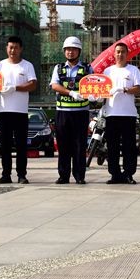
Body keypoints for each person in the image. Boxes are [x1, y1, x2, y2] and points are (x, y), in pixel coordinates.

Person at [0, 35, 38, 184]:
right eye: (10, 47)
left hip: (21, 112)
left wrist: (14, 88)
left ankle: (21, 175)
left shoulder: (27, 66)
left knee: (21, 145)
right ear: (6, 48)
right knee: (5, 145)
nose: (13, 50)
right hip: (4, 111)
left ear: (21, 49)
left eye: (16, 48)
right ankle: (6, 174)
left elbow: (33, 85)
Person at [50, 36, 93, 184]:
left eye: (74, 49)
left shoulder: (87, 68)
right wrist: (71, 93)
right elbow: (54, 85)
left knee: (80, 146)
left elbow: (94, 85)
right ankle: (63, 175)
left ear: (79, 51)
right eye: (68, 49)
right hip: (63, 112)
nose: (70, 52)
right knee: (63, 145)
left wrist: (95, 96)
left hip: (81, 113)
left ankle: (80, 176)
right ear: (64, 51)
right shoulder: (58, 68)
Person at [103, 42, 140, 184]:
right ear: (114, 54)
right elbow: (102, 90)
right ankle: (114, 174)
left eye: (123, 52)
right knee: (112, 147)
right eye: (118, 52)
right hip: (111, 114)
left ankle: (128, 174)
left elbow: (138, 89)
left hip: (128, 114)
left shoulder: (133, 70)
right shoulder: (107, 71)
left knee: (129, 147)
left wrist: (124, 89)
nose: (120, 54)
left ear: (127, 54)